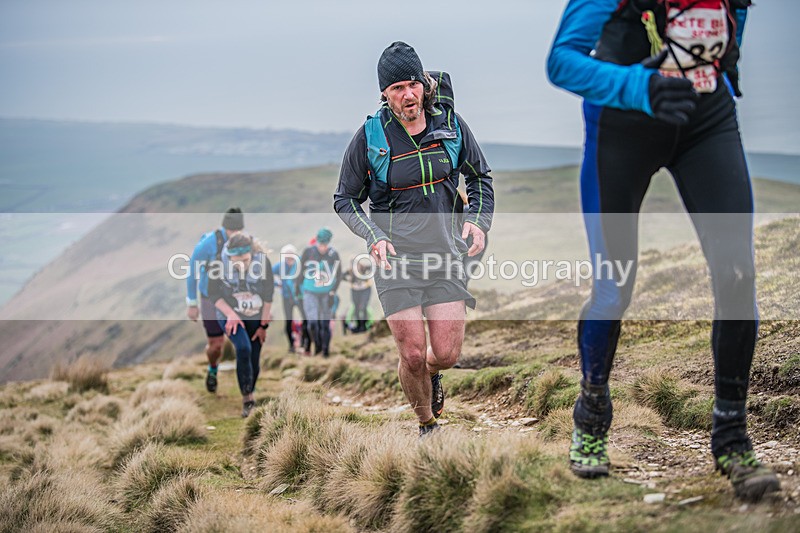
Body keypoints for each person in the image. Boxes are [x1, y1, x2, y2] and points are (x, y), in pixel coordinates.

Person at [548, 0, 779, 500]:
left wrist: (726, 64)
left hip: (705, 118)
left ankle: (731, 435)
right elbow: (561, 62)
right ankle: (590, 416)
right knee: (615, 288)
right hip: (622, 123)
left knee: (737, 273)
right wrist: (639, 86)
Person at [334, 42, 494, 437]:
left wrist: (477, 221)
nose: (408, 95)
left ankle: (428, 375)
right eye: (397, 88)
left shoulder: (452, 125)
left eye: (413, 85)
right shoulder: (370, 138)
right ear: (384, 95)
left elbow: (479, 177)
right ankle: (427, 424)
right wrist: (371, 236)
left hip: (445, 257)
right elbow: (345, 199)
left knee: (445, 354)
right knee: (412, 353)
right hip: (396, 262)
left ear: (423, 84)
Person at [208, 233, 273, 418]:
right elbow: (213, 294)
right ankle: (248, 400)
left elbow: (268, 295)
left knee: (254, 355)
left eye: (245, 261)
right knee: (243, 348)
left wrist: (263, 327)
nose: (241, 266)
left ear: (251, 253)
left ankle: (248, 388)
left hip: (256, 313)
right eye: (236, 262)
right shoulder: (217, 265)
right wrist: (231, 314)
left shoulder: (263, 263)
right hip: (229, 313)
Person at [186, 207, 244, 393]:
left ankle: (247, 384)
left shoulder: (244, 242)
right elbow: (192, 272)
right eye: (232, 231)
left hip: (234, 297)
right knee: (216, 345)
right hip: (209, 297)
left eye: (239, 230)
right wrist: (192, 303)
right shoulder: (208, 244)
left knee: (244, 343)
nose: (235, 234)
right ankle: (212, 369)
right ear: (225, 228)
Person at [296, 228, 341, 357]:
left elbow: (338, 274)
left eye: (325, 245)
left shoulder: (333, 254)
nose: (323, 248)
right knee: (313, 323)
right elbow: (299, 273)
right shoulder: (308, 252)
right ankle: (318, 347)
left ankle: (325, 351)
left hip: (327, 293)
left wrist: (333, 292)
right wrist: (297, 291)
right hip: (310, 292)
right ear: (316, 242)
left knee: (325, 323)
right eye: (320, 244)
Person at [272, 244, 301, 353]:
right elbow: (268, 275)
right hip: (286, 297)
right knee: (288, 321)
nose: (289, 258)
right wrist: (277, 284)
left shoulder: (299, 265)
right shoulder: (279, 266)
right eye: (287, 256)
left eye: (291, 255)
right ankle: (291, 345)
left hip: (298, 297)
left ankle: (305, 343)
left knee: (305, 319)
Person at [342, 256, 374, 333]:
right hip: (355, 291)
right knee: (356, 308)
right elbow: (341, 276)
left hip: (365, 290)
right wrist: (348, 280)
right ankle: (359, 326)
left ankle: (364, 325)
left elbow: (374, 268)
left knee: (363, 307)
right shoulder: (349, 271)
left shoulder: (365, 268)